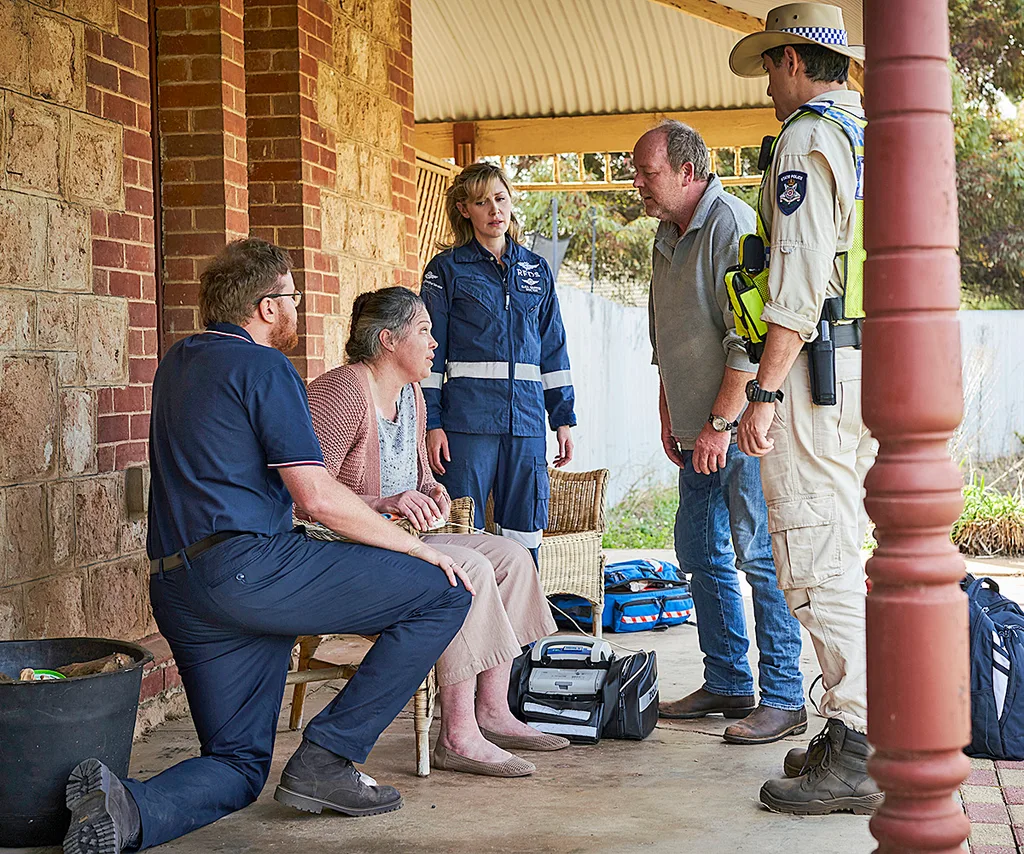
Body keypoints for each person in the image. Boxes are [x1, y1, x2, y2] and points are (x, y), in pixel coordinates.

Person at [62, 239, 473, 854]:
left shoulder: (177, 362)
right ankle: (328, 758)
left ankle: (123, 810)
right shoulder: (265, 368)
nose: (298, 306)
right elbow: (316, 496)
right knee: (444, 592)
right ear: (267, 306)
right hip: (250, 570)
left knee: (238, 765)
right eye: (292, 296)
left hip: (178, 586)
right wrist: (418, 550)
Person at [306, 286, 569, 778]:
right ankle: (458, 735)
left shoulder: (412, 397)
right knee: (468, 569)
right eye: (424, 330)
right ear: (388, 339)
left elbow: (420, 476)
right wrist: (379, 503)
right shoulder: (340, 392)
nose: (434, 342)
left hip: (402, 541)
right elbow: (308, 496)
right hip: (345, 550)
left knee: (511, 556)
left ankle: (493, 711)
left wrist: (432, 491)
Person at [728, 3, 881, 815]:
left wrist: (763, 391)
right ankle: (849, 727)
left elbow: (797, 279)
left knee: (816, 555)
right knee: (840, 546)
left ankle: (859, 747)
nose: (766, 85)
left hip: (816, 374)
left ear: (793, 60)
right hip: (862, 367)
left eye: (768, 66)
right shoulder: (867, 133)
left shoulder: (806, 138)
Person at [634, 121, 806, 745]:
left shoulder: (730, 224)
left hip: (733, 430)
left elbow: (747, 338)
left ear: (686, 171)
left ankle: (784, 695)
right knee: (700, 552)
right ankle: (729, 681)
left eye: (647, 173)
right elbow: (665, 335)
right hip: (695, 431)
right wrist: (670, 411)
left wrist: (718, 423)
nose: (637, 184)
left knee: (758, 555)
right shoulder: (664, 234)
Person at [420, 162, 576, 561]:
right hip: (467, 422)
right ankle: (464, 604)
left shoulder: (536, 269)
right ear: (463, 209)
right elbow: (428, 354)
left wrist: (562, 419)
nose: (494, 210)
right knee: (460, 530)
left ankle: (522, 603)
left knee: (525, 530)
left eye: (500, 198)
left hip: (526, 423)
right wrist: (432, 424)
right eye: (481, 202)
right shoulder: (445, 270)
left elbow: (553, 351)